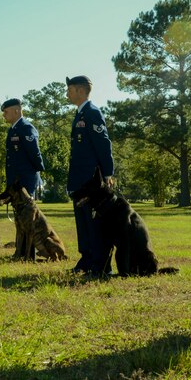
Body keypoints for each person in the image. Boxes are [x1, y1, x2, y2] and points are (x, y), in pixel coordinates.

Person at [66, 75, 115, 276]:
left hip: (91, 179)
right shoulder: (80, 114)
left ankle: (102, 264)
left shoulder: (92, 113)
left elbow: (103, 145)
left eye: (69, 90)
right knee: (83, 221)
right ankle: (86, 258)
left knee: (94, 222)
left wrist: (108, 173)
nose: (67, 94)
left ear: (79, 90)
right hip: (80, 179)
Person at [1, 98, 45, 259]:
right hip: (16, 182)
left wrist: (38, 171)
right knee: (19, 217)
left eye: (6, 112)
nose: (4, 115)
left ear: (16, 111)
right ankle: (20, 251)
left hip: (26, 180)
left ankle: (29, 253)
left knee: (28, 217)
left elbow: (34, 152)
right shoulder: (12, 130)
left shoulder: (26, 128)